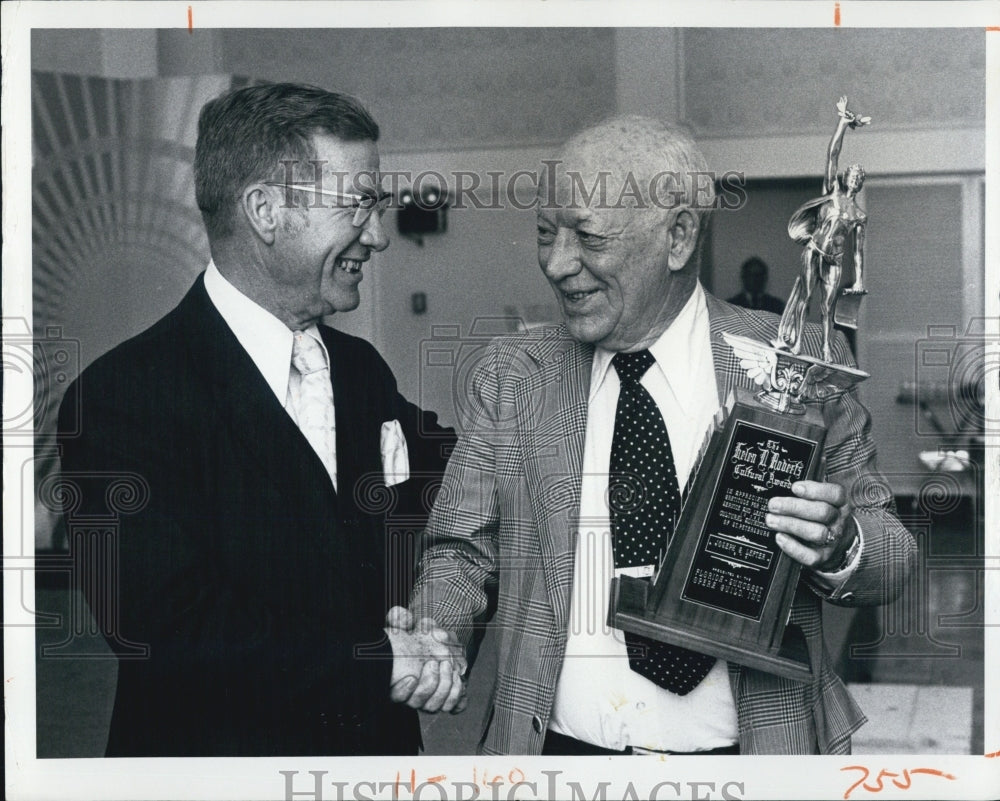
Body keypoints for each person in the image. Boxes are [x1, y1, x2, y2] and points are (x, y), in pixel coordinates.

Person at [390, 115, 915, 755]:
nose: (558, 265)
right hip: (557, 757)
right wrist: (438, 629)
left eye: (587, 236)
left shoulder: (797, 364)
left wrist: (842, 544)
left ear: (677, 236)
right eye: (545, 235)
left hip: (754, 760)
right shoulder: (511, 378)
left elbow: (890, 557)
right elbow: (460, 553)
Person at [56, 83, 463, 757]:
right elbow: (167, 628)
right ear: (266, 210)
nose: (379, 235)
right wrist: (384, 660)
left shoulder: (362, 370)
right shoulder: (119, 399)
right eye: (359, 203)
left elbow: (451, 479)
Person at [774, 96, 869, 362]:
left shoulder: (859, 215)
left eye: (857, 177)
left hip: (834, 260)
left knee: (828, 305)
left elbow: (858, 252)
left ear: (860, 183)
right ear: (845, 177)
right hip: (814, 250)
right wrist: (842, 124)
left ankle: (826, 349)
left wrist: (859, 279)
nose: (853, 178)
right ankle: (797, 344)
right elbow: (833, 155)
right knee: (805, 296)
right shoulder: (832, 193)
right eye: (850, 175)